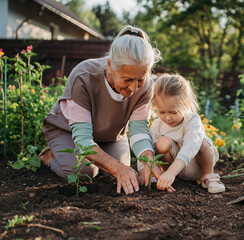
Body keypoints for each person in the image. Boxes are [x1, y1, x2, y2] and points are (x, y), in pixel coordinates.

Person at [39, 25, 163, 195]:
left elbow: (139, 131)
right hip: (68, 132)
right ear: (110, 65)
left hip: (110, 136)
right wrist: (117, 168)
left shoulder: (146, 86)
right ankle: (50, 157)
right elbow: (83, 141)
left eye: (140, 80)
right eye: (127, 79)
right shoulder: (84, 76)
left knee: (114, 175)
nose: (134, 87)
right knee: (84, 173)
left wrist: (148, 162)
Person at [141, 74, 225, 193]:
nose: (168, 117)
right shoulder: (158, 125)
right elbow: (147, 150)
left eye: (173, 112)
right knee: (162, 143)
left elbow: (192, 145)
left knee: (200, 141)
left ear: (186, 105)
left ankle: (209, 177)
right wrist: (143, 171)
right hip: (174, 171)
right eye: (162, 112)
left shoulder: (192, 120)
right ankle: (167, 177)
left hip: (197, 168)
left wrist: (171, 172)